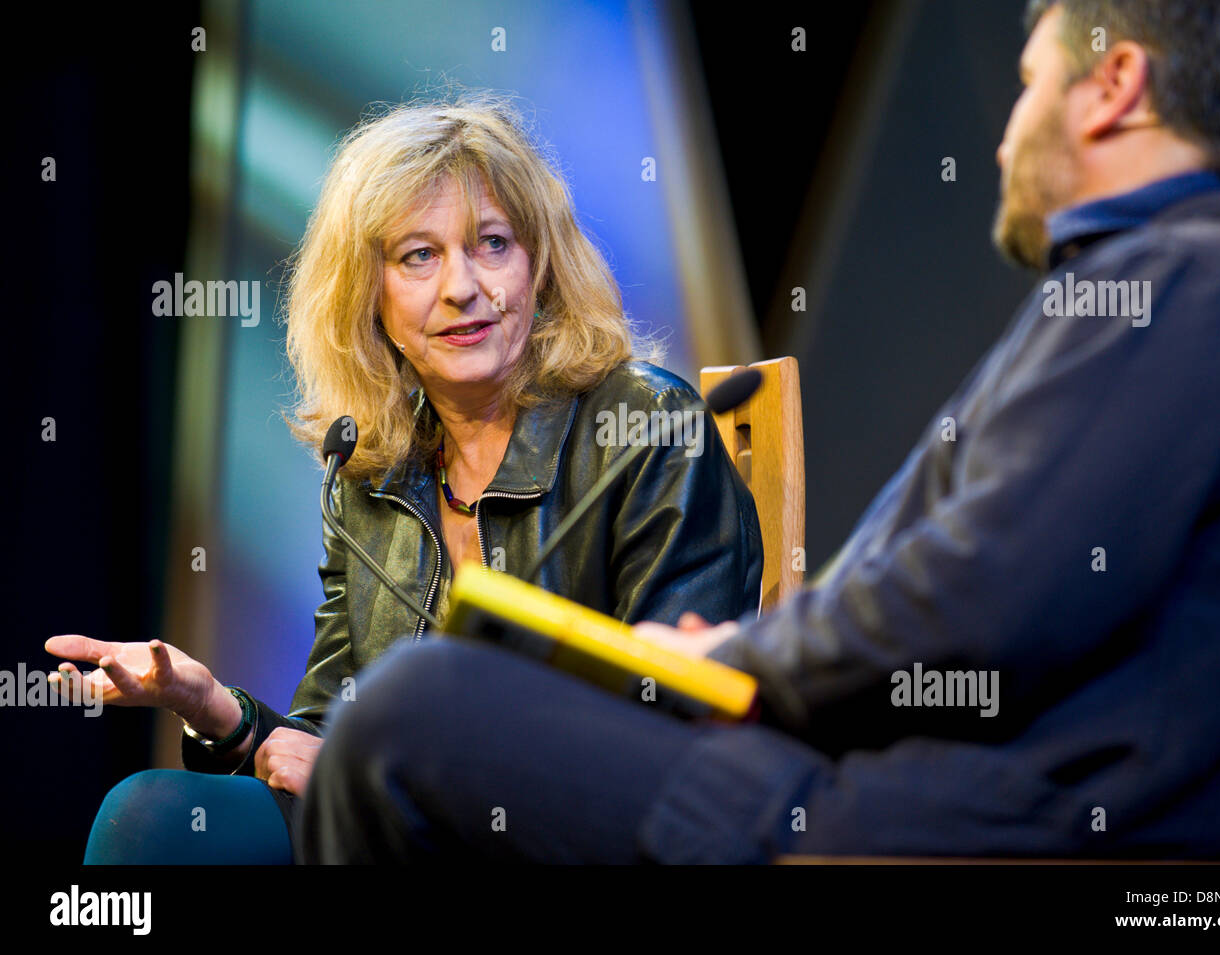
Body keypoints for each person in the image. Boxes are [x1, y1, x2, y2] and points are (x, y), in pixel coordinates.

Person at [298, 0, 1220, 863]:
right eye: (417, 258)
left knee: (410, 712)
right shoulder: (1195, 282)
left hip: (951, 819)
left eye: (1030, 83)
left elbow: (980, 596)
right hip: (919, 788)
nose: (1003, 138)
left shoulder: (1184, 284)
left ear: (1115, 85)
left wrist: (742, 653)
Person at [45, 94, 762, 864]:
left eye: (493, 243)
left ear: (540, 265)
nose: (462, 286)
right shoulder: (376, 469)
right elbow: (326, 734)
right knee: (150, 815)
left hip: (575, 833)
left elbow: (677, 718)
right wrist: (218, 710)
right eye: (419, 255)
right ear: (369, 295)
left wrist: (407, 776)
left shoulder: (643, 426)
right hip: (403, 827)